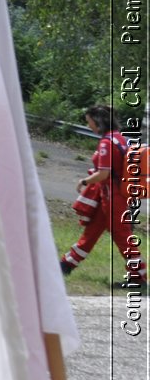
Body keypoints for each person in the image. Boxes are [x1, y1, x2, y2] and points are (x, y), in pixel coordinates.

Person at [61, 105, 145, 288]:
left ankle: (139, 277)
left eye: (89, 121)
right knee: (91, 232)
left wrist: (84, 182)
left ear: (98, 122)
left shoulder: (107, 143)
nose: (89, 125)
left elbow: (103, 174)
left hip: (112, 197)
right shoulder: (120, 138)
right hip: (110, 196)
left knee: (122, 236)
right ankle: (66, 265)